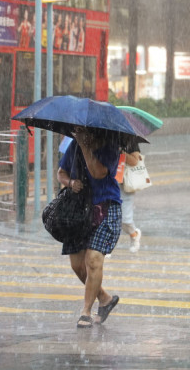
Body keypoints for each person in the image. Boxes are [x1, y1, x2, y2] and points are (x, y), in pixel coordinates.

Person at [57, 126, 122, 328]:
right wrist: (70, 182)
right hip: (79, 211)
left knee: (93, 260)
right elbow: (61, 172)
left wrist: (85, 147)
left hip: (106, 208)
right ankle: (104, 299)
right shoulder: (74, 146)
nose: (81, 133)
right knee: (78, 265)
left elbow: (98, 172)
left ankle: (86, 311)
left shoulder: (111, 146)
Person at [120, 142, 143, 253]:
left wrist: (121, 153)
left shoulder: (130, 139)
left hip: (125, 184)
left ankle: (134, 234)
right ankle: (106, 247)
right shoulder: (106, 136)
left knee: (125, 219)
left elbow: (134, 161)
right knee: (107, 216)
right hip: (108, 183)